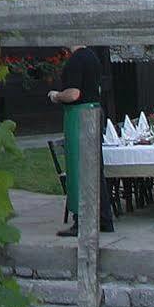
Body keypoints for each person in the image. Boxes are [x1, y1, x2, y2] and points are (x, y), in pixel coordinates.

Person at [48, 45, 114, 236]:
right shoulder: (93, 57)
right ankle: (104, 218)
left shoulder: (76, 60)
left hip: (79, 116)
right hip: (94, 110)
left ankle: (82, 220)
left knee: (79, 168)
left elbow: (74, 94)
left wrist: (56, 96)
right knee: (94, 168)